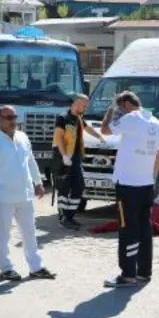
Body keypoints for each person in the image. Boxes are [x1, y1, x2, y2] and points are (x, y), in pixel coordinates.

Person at [0, 106, 56, 282]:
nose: (13, 121)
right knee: (3, 233)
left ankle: (36, 267)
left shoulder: (22, 137)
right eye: (8, 117)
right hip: (3, 196)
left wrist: (38, 182)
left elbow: (31, 162)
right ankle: (5, 268)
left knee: (30, 231)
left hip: (25, 194)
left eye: (14, 117)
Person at [100, 91, 159, 288]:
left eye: (120, 107)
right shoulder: (155, 122)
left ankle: (128, 274)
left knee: (127, 228)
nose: (119, 110)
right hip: (146, 184)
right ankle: (144, 272)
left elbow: (105, 130)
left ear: (127, 104)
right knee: (144, 229)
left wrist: (110, 110)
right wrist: (152, 179)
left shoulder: (130, 119)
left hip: (128, 185)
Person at [52, 94, 104, 230]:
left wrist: (99, 137)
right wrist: (64, 156)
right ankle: (63, 217)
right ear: (75, 103)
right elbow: (58, 138)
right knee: (64, 188)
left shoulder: (79, 118)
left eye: (86, 105)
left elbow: (87, 128)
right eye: (83, 105)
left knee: (78, 187)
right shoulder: (63, 118)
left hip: (75, 158)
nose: (85, 108)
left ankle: (70, 216)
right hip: (64, 158)